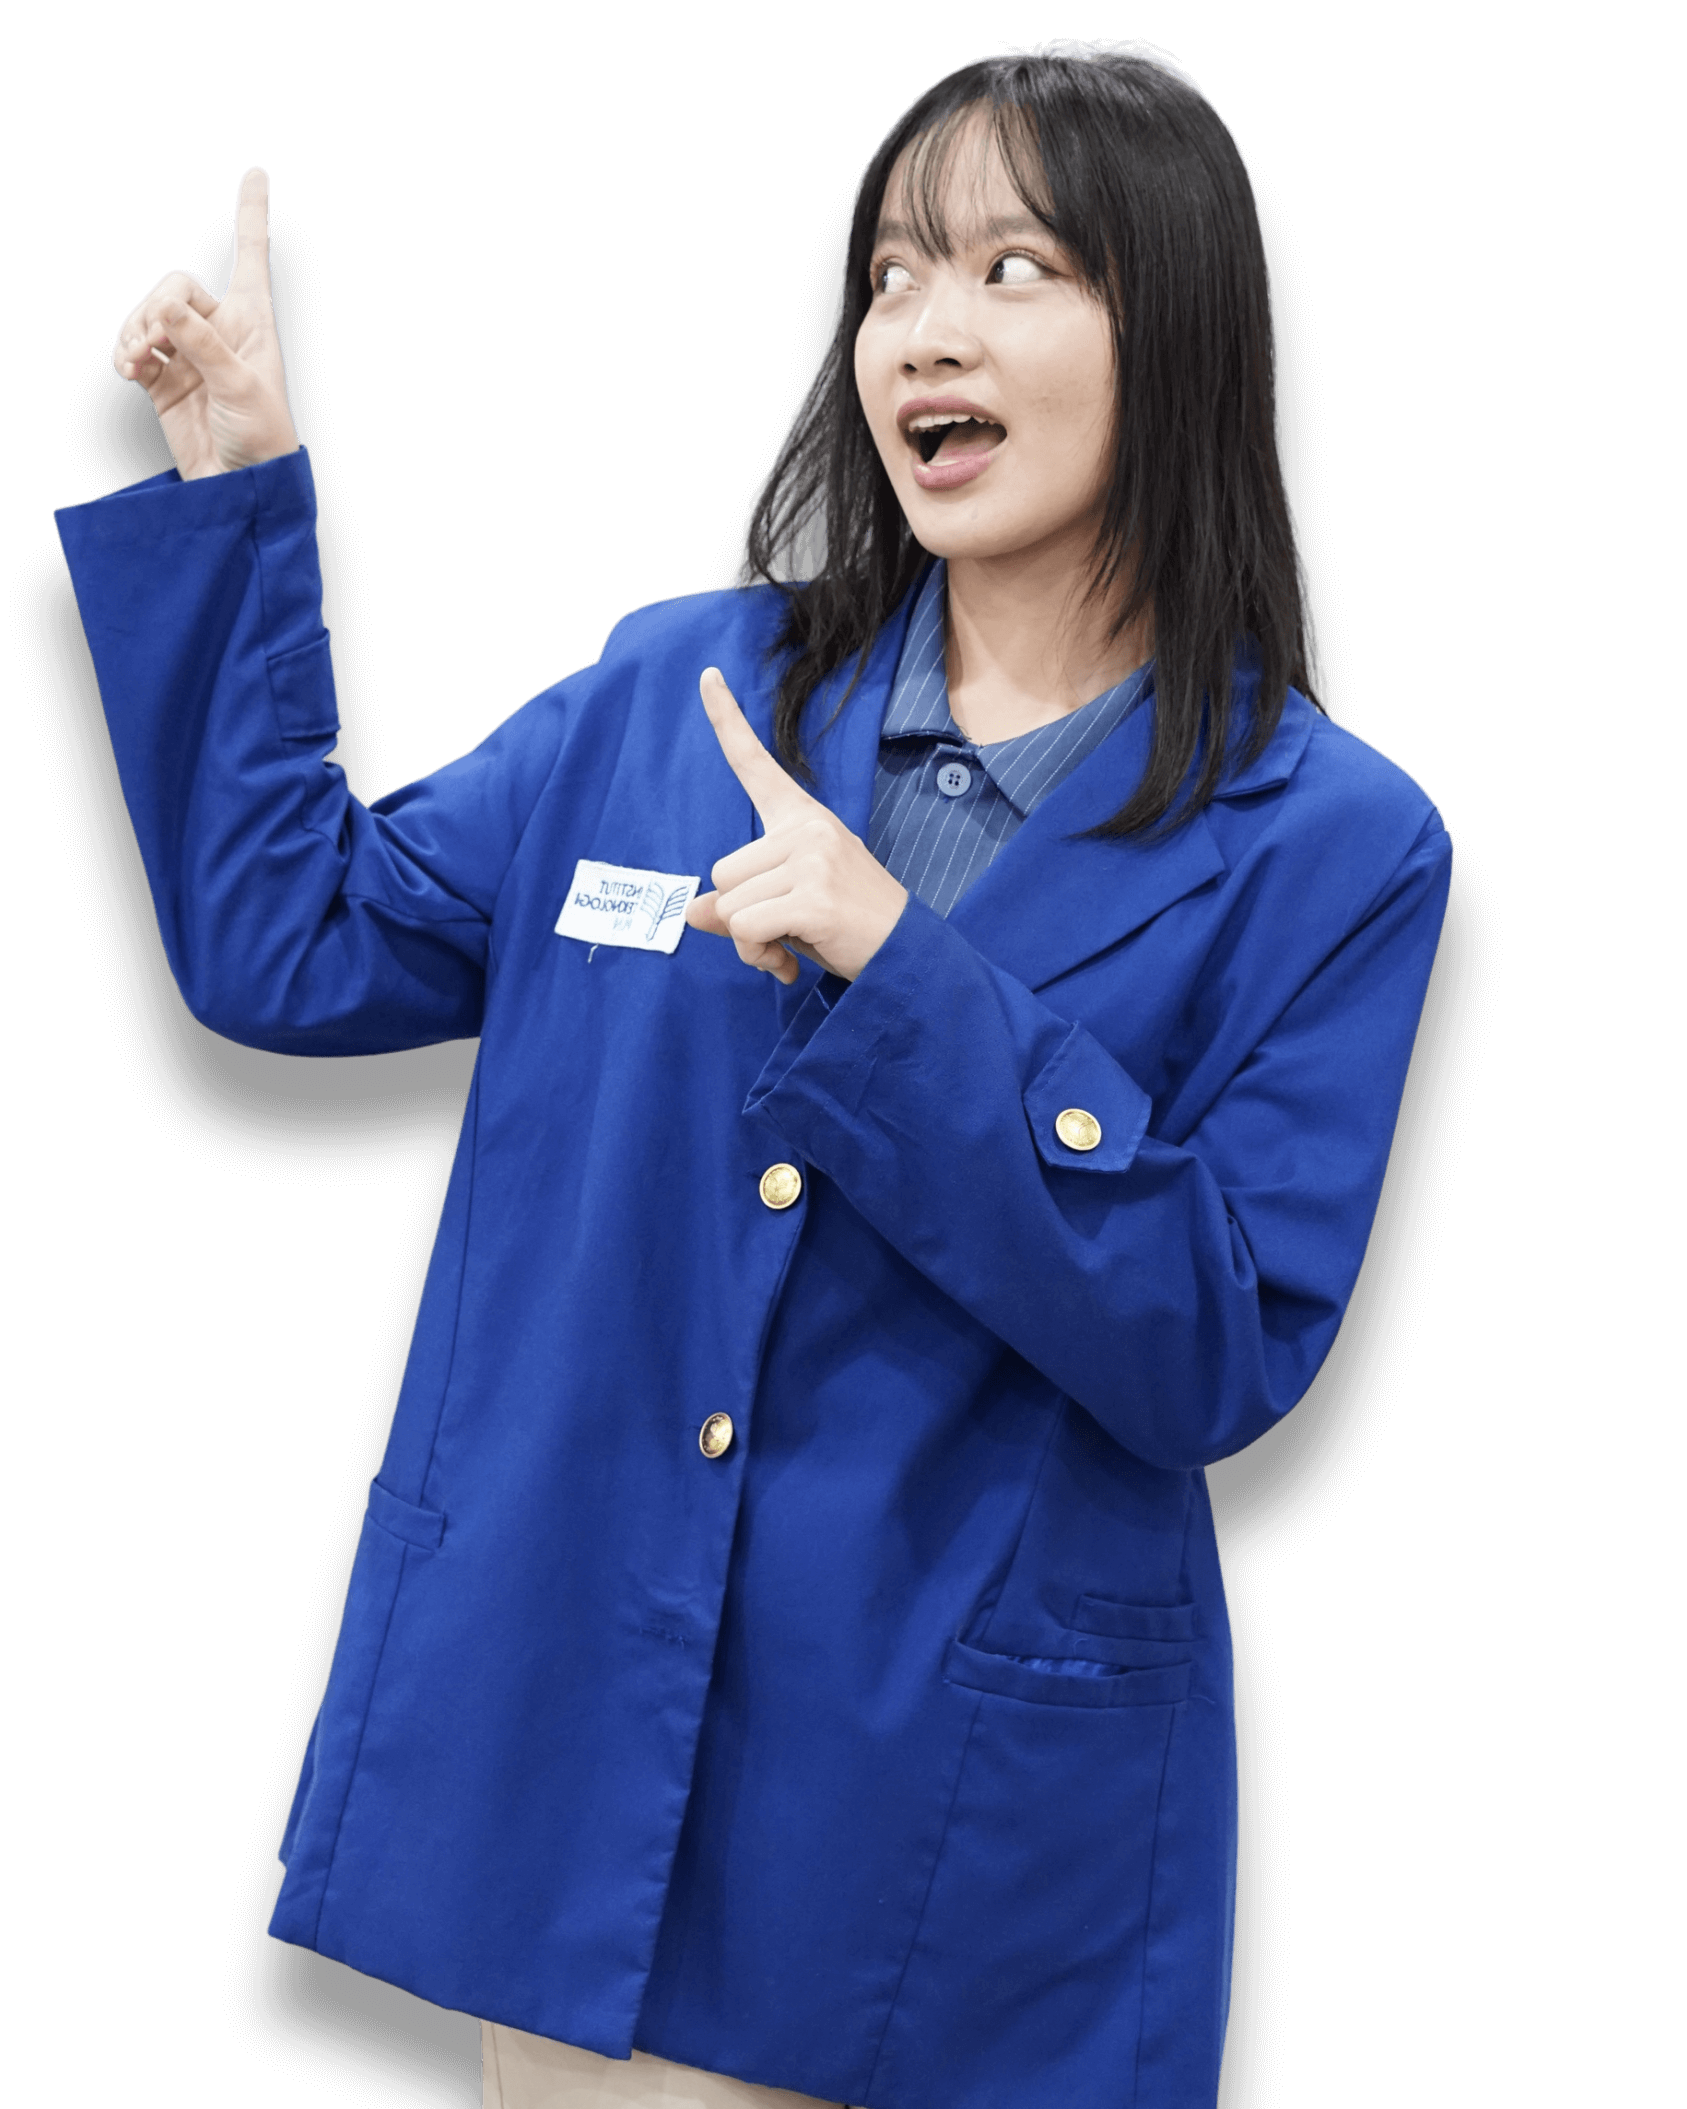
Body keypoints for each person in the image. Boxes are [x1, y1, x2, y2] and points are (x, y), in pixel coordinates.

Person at [55, 45, 1451, 2109]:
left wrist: (902, 970)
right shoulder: (674, 691)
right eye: (892, 274)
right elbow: (293, 938)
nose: (926, 331)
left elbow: (1214, 1347)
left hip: (957, 1842)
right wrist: (237, 492)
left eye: (1011, 267)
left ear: (1176, 328)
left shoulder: (1333, 840)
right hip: (573, 1778)